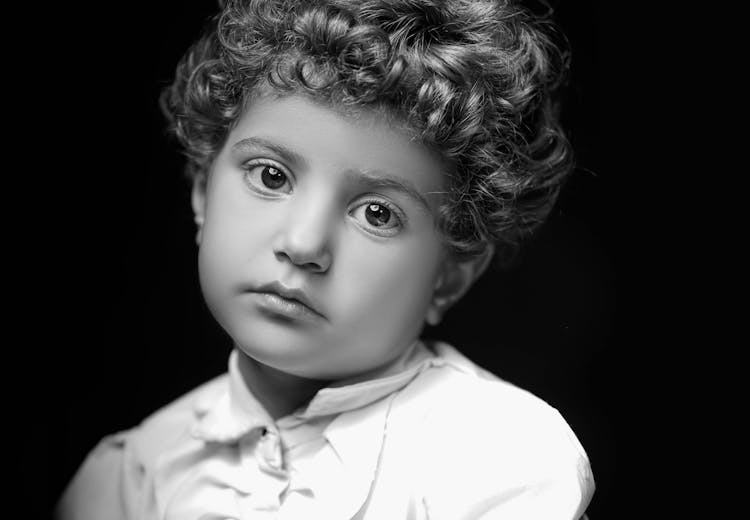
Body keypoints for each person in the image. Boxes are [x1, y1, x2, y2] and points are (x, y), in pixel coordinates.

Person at [56, 0, 595, 518]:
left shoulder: (500, 463)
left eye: (378, 213)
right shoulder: (128, 478)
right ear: (202, 189)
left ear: (451, 273)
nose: (304, 244)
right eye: (271, 176)